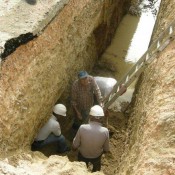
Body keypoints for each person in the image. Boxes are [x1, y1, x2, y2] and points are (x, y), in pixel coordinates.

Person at [72, 105, 110, 172]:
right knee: (96, 169)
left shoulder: (82, 128)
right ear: (101, 118)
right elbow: (106, 149)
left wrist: (74, 149)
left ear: (90, 116)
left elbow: (75, 145)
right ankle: (95, 171)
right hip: (96, 156)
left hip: (83, 155)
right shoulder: (105, 131)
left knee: (80, 170)